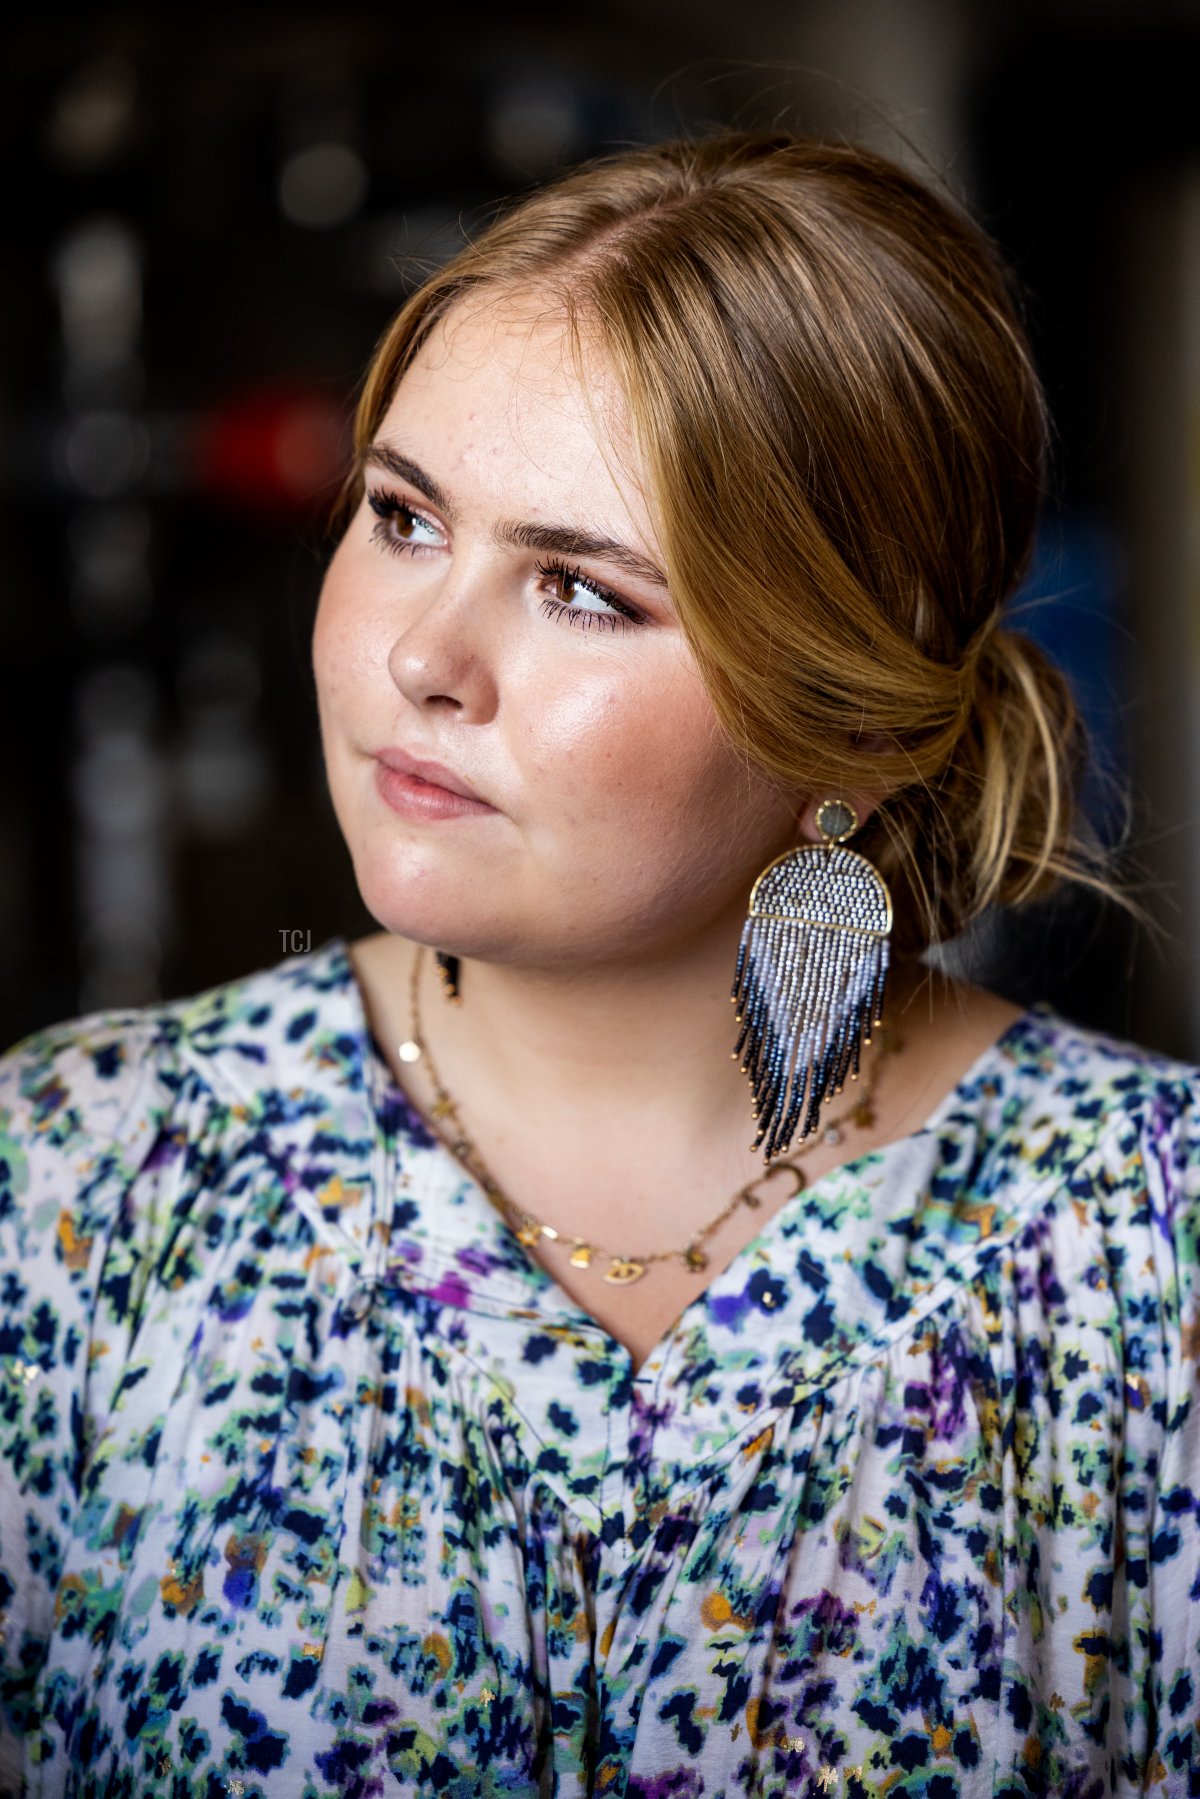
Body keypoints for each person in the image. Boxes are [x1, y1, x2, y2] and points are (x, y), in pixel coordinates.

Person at [1, 128, 1196, 1799]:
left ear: (845, 717)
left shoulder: (1152, 1258)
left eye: (579, 589)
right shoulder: (72, 1187)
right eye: (405, 517)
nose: (424, 654)